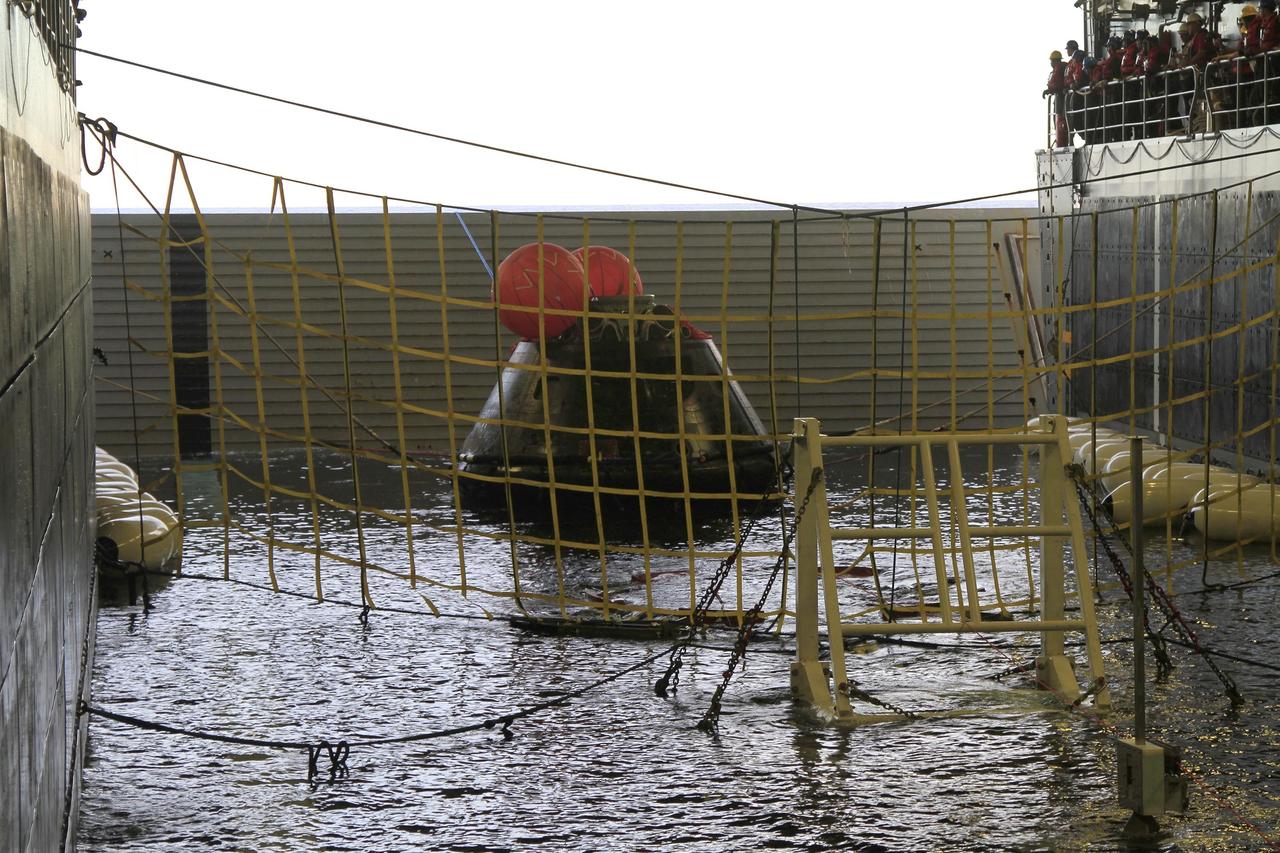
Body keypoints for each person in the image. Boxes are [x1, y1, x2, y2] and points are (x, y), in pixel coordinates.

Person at [1045, 50, 1069, 147]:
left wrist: (1049, 90)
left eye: (1051, 61)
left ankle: (1061, 141)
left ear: (1055, 61)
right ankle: (1063, 140)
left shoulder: (1059, 69)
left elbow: (1057, 84)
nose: (1051, 63)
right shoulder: (1063, 67)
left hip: (1060, 97)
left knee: (1060, 120)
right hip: (1060, 97)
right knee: (1062, 120)